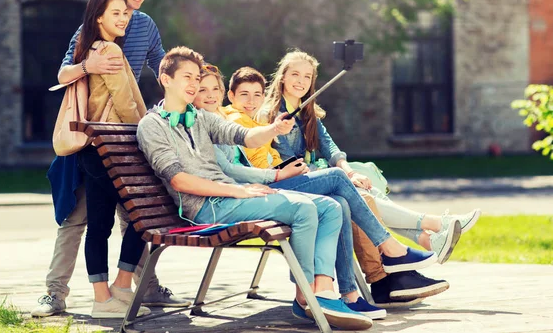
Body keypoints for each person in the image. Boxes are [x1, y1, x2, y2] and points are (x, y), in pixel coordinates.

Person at [137, 48, 438, 330]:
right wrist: (240, 191)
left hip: (232, 196)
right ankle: (306, 297)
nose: (194, 84)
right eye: (187, 77)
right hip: (207, 207)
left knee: (331, 207)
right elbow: (179, 181)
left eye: (196, 77)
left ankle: (324, 290)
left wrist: (273, 129)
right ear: (166, 79)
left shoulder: (200, 117)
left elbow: (245, 136)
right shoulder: (152, 126)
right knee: (305, 207)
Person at [210, 65, 450, 310]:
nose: (251, 101)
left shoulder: (258, 118)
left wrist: (344, 169)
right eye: (244, 95)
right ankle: (391, 256)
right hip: (272, 186)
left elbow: (324, 147)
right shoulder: (241, 120)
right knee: (340, 182)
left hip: (281, 180)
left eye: (256, 95)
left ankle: (353, 293)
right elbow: (242, 167)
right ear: (231, 96)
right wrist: (280, 171)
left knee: (345, 200)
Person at [32, 0, 188, 318]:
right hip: (95, 134)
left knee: (137, 214)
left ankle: (141, 288)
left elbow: (163, 68)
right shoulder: (91, 27)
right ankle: (56, 293)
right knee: (78, 219)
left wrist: (192, 83)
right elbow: (63, 72)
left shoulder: (145, 25)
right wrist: (90, 66)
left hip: (125, 137)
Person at [259, 50, 482, 294]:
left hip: (316, 178)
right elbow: (288, 163)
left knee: (366, 190)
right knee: (360, 197)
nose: (300, 81)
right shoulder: (272, 115)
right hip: (293, 184)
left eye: (307, 76)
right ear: (282, 77)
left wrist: (348, 171)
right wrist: (338, 174)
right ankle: (430, 230)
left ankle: (422, 243)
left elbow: (329, 146)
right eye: (295, 74)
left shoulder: (306, 110)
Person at [66, 0, 148, 318]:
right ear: (99, 17)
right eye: (116, 13)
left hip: (103, 149)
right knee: (128, 220)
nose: (124, 18)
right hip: (109, 149)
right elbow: (127, 105)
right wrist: (149, 132)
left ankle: (116, 290)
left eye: (126, 13)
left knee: (107, 223)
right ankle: (105, 297)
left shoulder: (97, 48)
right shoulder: (108, 50)